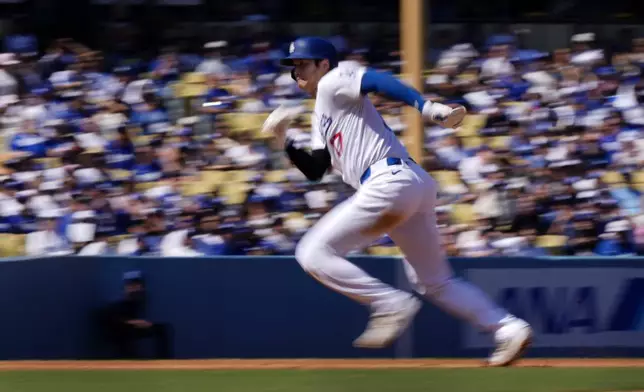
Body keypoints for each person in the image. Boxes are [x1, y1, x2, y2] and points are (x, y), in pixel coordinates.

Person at [262, 37, 532, 366]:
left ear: (323, 64)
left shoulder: (335, 79)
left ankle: (389, 304)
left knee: (312, 252)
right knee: (434, 282)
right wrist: (285, 140)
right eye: (293, 67)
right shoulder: (323, 113)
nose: (297, 73)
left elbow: (377, 80)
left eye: (303, 64)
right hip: (409, 184)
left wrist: (426, 106)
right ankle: (508, 328)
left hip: (387, 182)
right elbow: (317, 170)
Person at [99, 271, 172, 359]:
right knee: (120, 332)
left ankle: (164, 361)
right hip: (117, 330)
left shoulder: (138, 299)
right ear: (125, 287)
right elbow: (112, 320)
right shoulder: (118, 301)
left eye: (137, 285)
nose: (135, 288)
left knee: (161, 329)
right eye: (131, 285)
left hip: (132, 328)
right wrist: (133, 322)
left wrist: (139, 323)